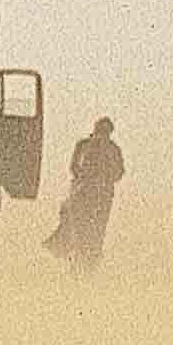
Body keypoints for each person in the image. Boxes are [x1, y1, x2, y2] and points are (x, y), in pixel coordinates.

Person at [43, 117, 125, 272]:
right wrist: (87, 179)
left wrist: (103, 180)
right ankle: (77, 260)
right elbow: (74, 167)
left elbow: (119, 172)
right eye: (101, 131)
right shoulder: (85, 145)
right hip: (84, 194)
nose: (102, 135)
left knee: (95, 233)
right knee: (78, 229)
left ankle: (86, 264)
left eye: (105, 132)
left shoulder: (111, 149)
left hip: (99, 198)